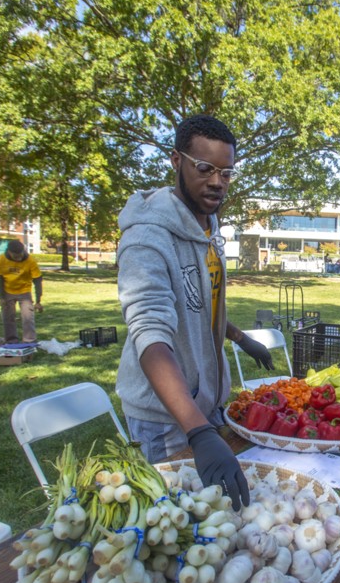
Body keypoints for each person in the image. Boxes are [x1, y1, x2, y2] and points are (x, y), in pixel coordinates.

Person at [116, 114, 273, 508]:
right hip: (166, 416)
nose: (217, 181)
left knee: (221, 516)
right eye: (205, 168)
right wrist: (198, 433)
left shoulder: (208, 226)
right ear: (176, 161)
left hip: (205, 407)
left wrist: (240, 337)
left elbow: (198, 305)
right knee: (174, 525)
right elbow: (151, 335)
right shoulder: (146, 238)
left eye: (227, 172)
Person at [0, 239, 43, 344]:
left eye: (20, 255)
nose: (19, 258)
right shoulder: (1, 259)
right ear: (9, 252)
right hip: (7, 291)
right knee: (8, 318)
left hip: (24, 292)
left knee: (28, 317)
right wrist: (1, 297)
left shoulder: (30, 261)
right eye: (16, 256)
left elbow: (38, 280)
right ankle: (11, 341)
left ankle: (29, 341)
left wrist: (38, 300)